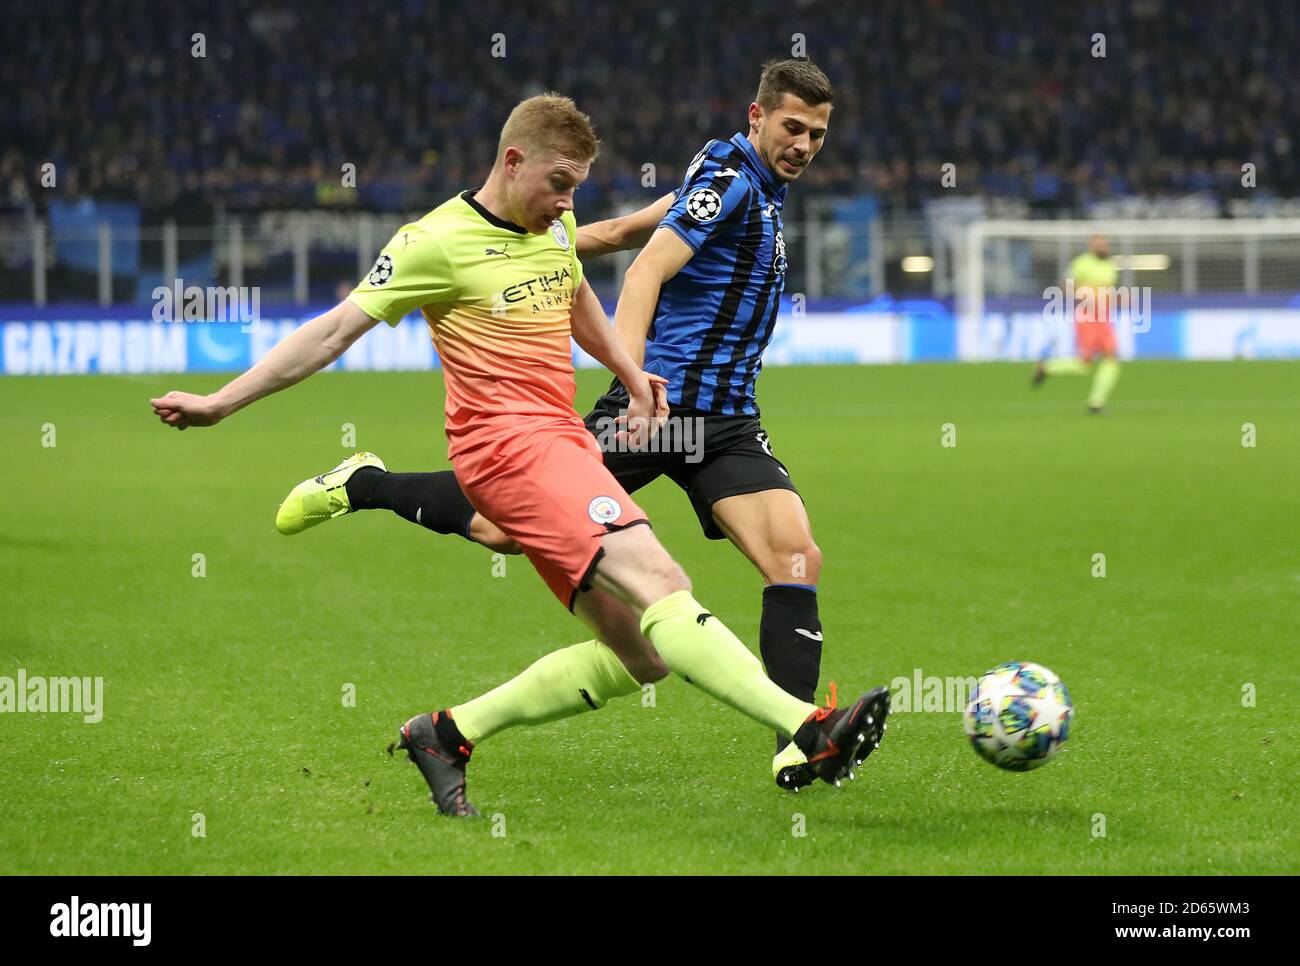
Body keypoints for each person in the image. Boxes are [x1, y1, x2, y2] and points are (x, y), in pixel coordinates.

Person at [151, 92, 888, 817]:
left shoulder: (555, 227)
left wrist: (632, 376)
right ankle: (807, 726)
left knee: (642, 657)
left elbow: (577, 305)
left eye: (577, 189)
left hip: (563, 441)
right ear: (512, 161)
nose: (568, 205)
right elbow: (332, 331)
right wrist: (222, 402)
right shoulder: (431, 242)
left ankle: (445, 733)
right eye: (559, 184)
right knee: (659, 576)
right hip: (507, 453)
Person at [1032, 234, 1122, 413]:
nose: (1103, 247)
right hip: (1086, 317)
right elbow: (1065, 286)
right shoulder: (1081, 263)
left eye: (1105, 244)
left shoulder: (1111, 267)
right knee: (1084, 364)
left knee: (1112, 358)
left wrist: (1117, 299)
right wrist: (1083, 295)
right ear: (1092, 246)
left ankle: (1096, 403)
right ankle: (1047, 367)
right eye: (1099, 244)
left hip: (1103, 318)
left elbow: (1108, 293)